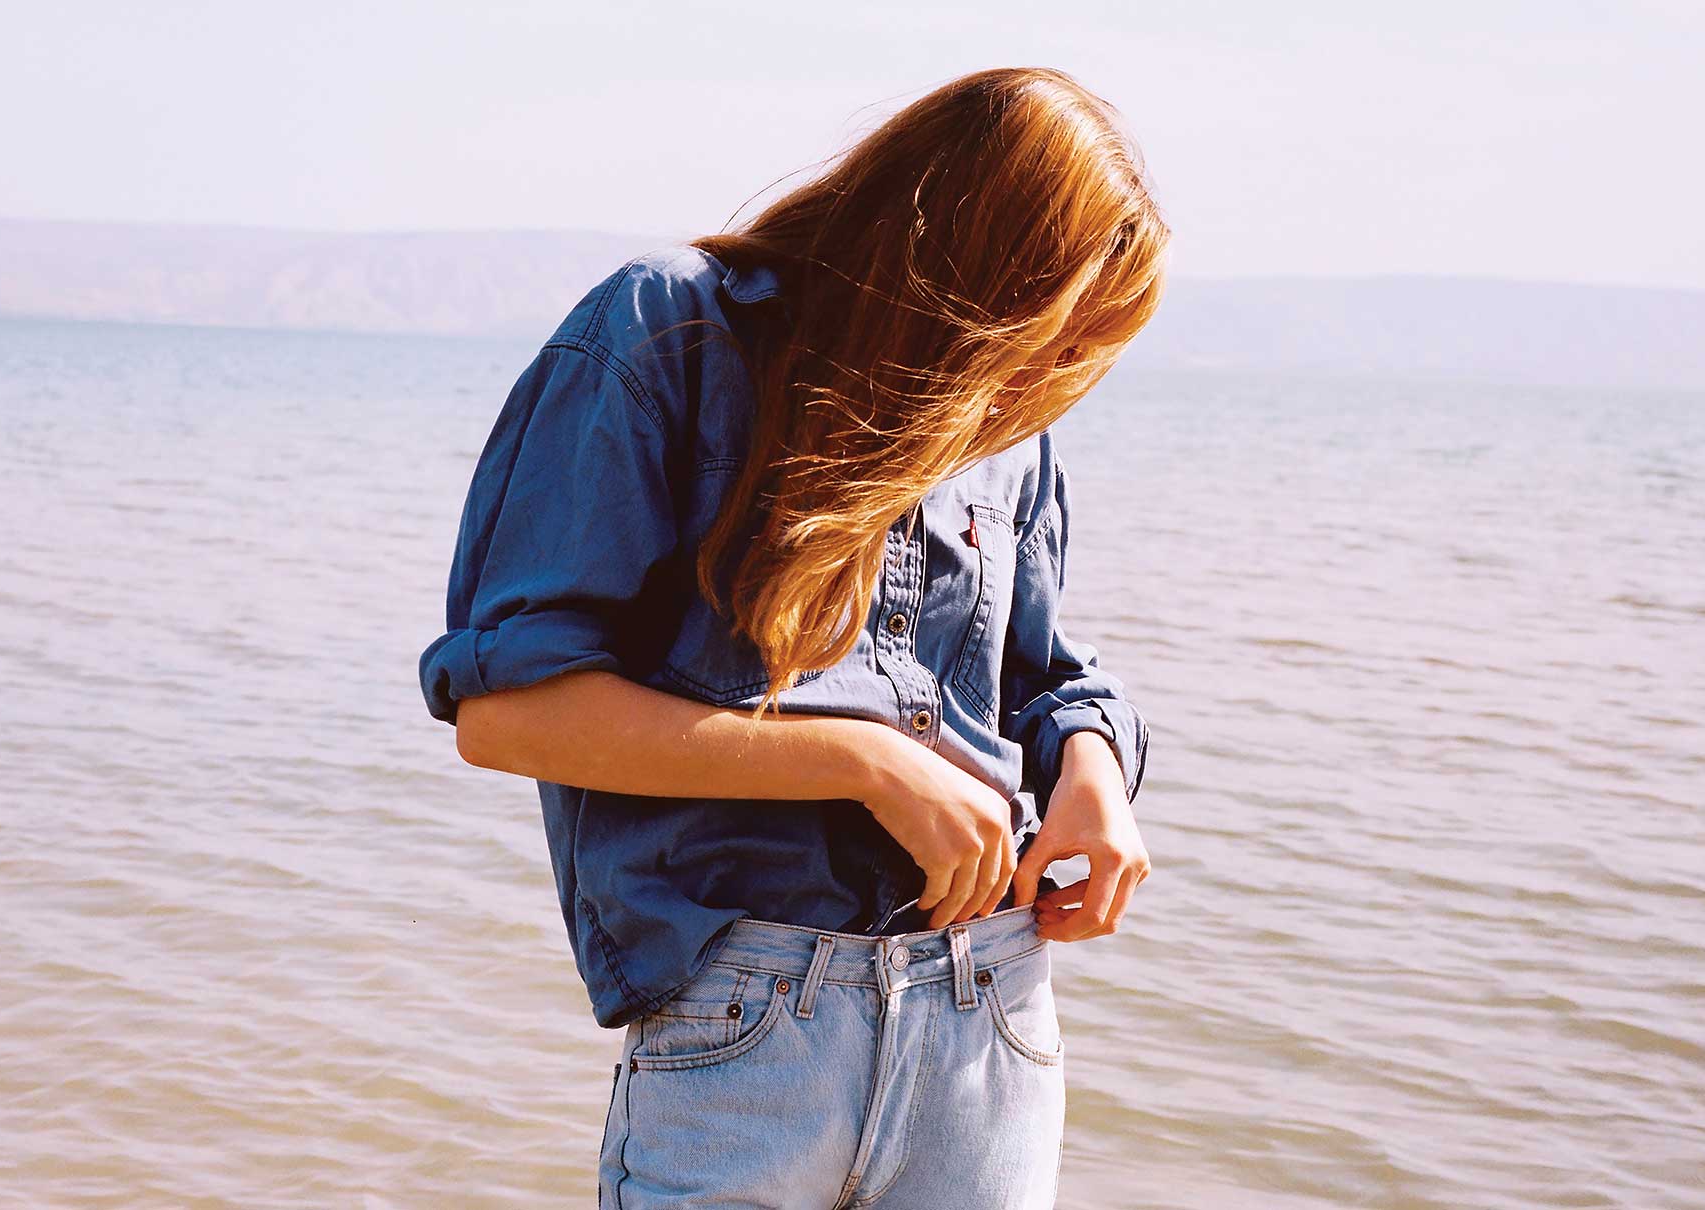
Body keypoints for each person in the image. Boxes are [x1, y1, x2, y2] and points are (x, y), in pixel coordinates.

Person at [417, 66, 1169, 1210]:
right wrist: (863, 762)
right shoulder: (668, 334)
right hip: (746, 1033)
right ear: (973, 272)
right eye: (1047, 337)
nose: (1044, 382)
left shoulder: (1008, 431)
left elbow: (1044, 672)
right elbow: (508, 714)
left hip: (989, 1021)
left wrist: (1094, 772)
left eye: (1076, 355)